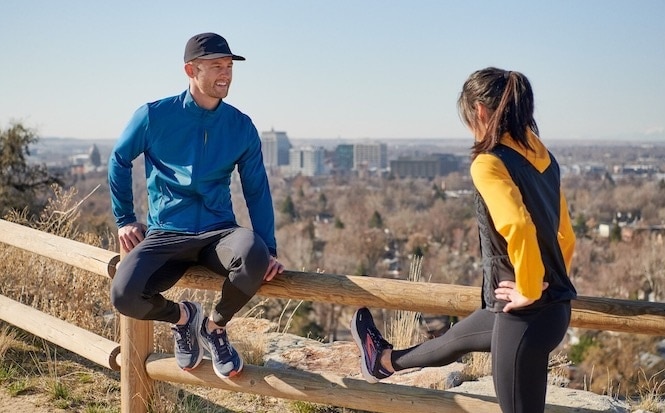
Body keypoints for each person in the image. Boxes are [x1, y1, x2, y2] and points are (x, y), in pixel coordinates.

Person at [351, 67, 577, 413]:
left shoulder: (488, 163)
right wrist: (548, 282)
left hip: (524, 315)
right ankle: (382, 361)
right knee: (456, 341)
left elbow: (517, 224)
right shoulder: (543, 156)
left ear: (480, 112)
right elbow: (566, 236)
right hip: (554, 309)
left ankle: (382, 361)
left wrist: (530, 288)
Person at [108, 32, 284, 380]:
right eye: (216, 66)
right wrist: (125, 217)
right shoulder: (153, 116)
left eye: (229, 66)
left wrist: (270, 249)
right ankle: (185, 318)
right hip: (167, 233)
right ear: (191, 69)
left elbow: (257, 189)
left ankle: (214, 327)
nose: (226, 74)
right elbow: (119, 159)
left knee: (254, 251)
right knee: (124, 294)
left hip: (218, 234)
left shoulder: (240, 125)